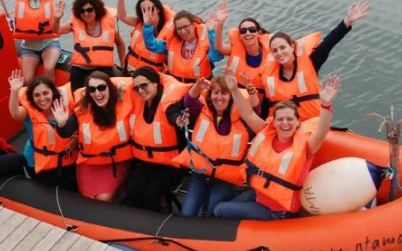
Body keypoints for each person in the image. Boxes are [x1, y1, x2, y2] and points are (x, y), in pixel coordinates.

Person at [214, 72, 341, 220]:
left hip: (277, 210)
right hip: (259, 193)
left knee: (219, 210)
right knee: (227, 204)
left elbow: (321, 133)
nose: (285, 123)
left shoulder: (306, 146)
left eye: (289, 119)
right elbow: (247, 114)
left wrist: (326, 104)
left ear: (297, 122)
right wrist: (234, 89)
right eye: (280, 119)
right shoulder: (267, 133)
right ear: (274, 123)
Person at [260, 0, 369, 120]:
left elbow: (328, 43)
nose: (279, 53)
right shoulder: (270, 76)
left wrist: (347, 21)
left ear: (292, 47)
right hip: (285, 126)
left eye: (282, 47)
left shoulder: (311, 62)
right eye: (275, 51)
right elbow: (267, 106)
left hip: (310, 123)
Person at [173, 74, 257, 217]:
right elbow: (189, 102)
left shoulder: (242, 116)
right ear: (210, 95)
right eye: (215, 93)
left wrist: (252, 92)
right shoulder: (202, 110)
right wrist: (197, 87)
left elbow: (256, 111)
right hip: (200, 175)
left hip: (226, 181)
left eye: (224, 93)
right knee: (187, 213)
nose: (219, 97)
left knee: (206, 214)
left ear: (231, 96)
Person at [54, 72, 133, 201]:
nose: (97, 93)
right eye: (92, 90)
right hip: (89, 163)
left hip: (115, 162)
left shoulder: (125, 104)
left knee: (103, 198)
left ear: (110, 88)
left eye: (101, 88)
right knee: (88, 199)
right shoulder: (82, 110)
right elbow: (66, 132)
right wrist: (62, 123)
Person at [127, 67, 190, 212]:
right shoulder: (139, 103)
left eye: (144, 85)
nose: (141, 91)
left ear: (155, 83)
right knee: (133, 190)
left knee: (152, 194)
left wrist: (179, 121)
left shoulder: (170, 102)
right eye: (136, 88)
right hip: (147, 160)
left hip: (171, 163)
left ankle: (159, 223)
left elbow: (173, 114)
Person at [7, 70, 77, 190]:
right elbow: (16, 114)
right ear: (32, 98)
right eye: (37, 95)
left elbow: (81, 127)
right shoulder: (29, 111)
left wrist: (76, 139)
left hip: (66, 159)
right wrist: (14, 92)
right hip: (37, 161)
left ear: (53, 92)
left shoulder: (66, 107)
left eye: (45, 93)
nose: (42, 98)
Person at [52, 0, 126, 91]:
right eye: (82, 11)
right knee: (78, 95)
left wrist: (123, 63)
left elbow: (120, 44)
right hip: (80, 69)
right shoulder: (73, 24)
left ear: (96, 10)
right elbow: (57, 30)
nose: (86, 13)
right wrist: (56, 19)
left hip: (102, 68)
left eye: (89, 10)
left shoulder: (108, 27)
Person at [111, 0, 175, 73]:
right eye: (144, 10)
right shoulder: (139, 22)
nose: (148, 13)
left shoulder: (171, 30)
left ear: (158, 9)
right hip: (130, 71)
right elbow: (122, 16)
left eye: (151, 9)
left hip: (150, 78)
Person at [142, 8, 224, 83]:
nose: (183, 31)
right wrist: (147, 25)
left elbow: (216, 57)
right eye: (179, 28)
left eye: (185, 26)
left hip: (200, 87)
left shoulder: (205, 42)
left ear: (193, 25)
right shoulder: (172, 43)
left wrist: (211, 31)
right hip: (179, 87)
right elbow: (151, 44)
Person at [213, 1, 271, 90]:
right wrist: (220, 23)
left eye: (252, 29)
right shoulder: (235, 50)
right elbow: (218, 47)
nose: (248, 33)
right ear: (240, 36)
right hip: (237, 94)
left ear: (259, 33)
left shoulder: (272, 51)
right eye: (243, 31)